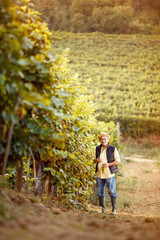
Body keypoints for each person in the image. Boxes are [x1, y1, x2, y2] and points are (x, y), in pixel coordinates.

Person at [93, 132, 120, 214]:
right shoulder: (97, 148)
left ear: (108, 140)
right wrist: (96, 160)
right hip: (99, 174)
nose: (103, 140)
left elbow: (118, 161)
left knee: (112, 191)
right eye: (102, 139)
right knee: (100, 193)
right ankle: (102, 209)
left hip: (109, 174)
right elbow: (93, 160)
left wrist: (108, 164)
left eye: (105, 139)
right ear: (100, 140)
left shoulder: (113, 148)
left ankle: (114, 210)